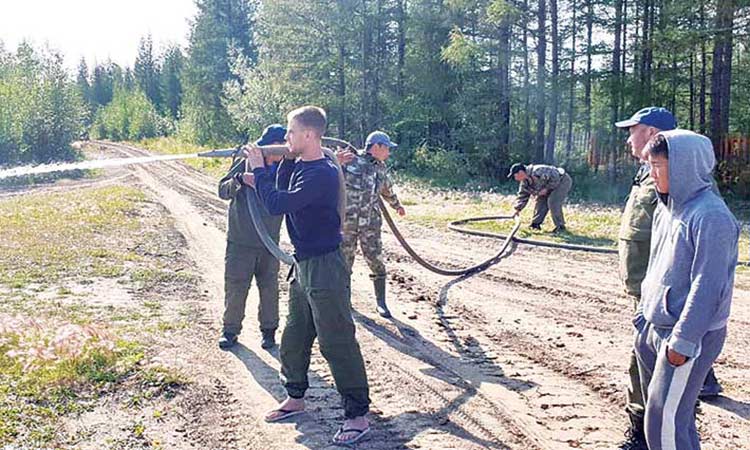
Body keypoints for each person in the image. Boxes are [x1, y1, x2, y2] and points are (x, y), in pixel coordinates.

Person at [246, 106, 371, 446]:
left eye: (290, 133)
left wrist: (259, 170)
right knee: (295, 334)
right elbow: (280, 186)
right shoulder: (301, 165)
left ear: (309, 135)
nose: (286, 139)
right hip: (302, 264)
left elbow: (277, 203)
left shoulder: (323, 173)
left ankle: (357, 414)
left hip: (325, 266)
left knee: (336, 339)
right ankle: (295, 396)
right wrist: (265, 168)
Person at [614, 107, 722, 450]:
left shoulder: (703, 210)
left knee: (667, 419)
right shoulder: (666, 198)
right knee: (666, 413)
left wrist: (684, 340)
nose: (628, 138)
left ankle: (643, 434)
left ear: (649, 132)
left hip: (676, 321)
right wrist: (646, 308)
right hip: (653, 308)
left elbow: (707, 283)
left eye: (632, 130)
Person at [635, 130, 738, 450]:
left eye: (659, 166)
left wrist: (683, 340)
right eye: (650, 165)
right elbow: (655, 265)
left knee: (662, 423)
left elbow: (709, 284)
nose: (653, 174)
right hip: (655, 327)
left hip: (686, 335)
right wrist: (643, 316)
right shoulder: (668, 208)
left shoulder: (712, 216)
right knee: (675, 420)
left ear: (685, 165)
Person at [217, 124, 285, 350]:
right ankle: (230, 331)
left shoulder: (286, 169)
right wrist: (239, 180)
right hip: (240, 243)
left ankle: (269, 332)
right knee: (236, 287)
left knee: (269, 289)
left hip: (269, 244)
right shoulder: (245, 163)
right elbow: (222, 190)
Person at [341, 131, 405, 318]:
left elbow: (387, 190)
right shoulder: (349, 160)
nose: (389, 153)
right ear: (376, 146)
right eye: (387, 148)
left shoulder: (381, 168)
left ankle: (381, 302)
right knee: (344, 262)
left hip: (370, 224)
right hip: (347, 223)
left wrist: (397, 206)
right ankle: (345, 301)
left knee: (376, 260)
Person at [508, 162, 572, 233]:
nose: (515, 178)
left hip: (562, 181)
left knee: (553, 201)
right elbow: (523, 196)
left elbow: (556, 177)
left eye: (515, 176)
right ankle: (535, 224)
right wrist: (517, 209)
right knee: (540, 201)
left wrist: (547, 189)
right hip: (547, 186)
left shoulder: (538, 170)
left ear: (520, 172)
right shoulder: (525, 183)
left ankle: (560, 227)